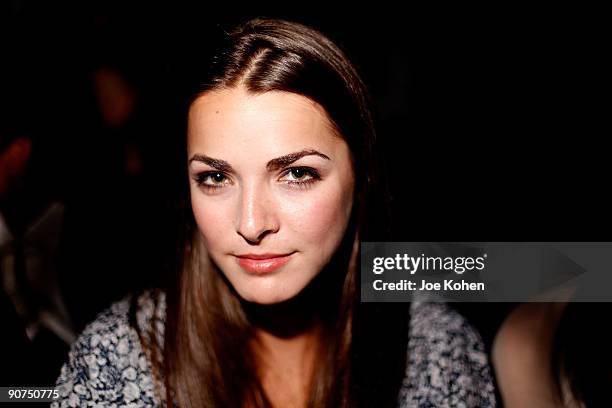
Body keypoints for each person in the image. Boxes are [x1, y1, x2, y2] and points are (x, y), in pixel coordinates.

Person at [52, 18, 495, 407]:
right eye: (215, 178)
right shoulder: (116, 358)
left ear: (362, 177)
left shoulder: (437, 349)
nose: (250, 224)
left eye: (297, 173)